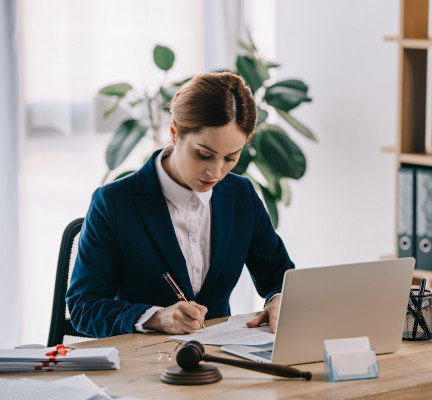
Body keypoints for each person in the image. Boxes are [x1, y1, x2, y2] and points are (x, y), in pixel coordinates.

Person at [66, 72, 294, 338]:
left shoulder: (241, 195)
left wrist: (279, 299)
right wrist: (155, 317)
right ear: (175, 133)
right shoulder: (114, 202)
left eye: (231, 158)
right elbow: (84, 307)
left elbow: (279, 276)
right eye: (204, 154)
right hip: (140, 362)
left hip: (218, 360)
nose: (215, 172)